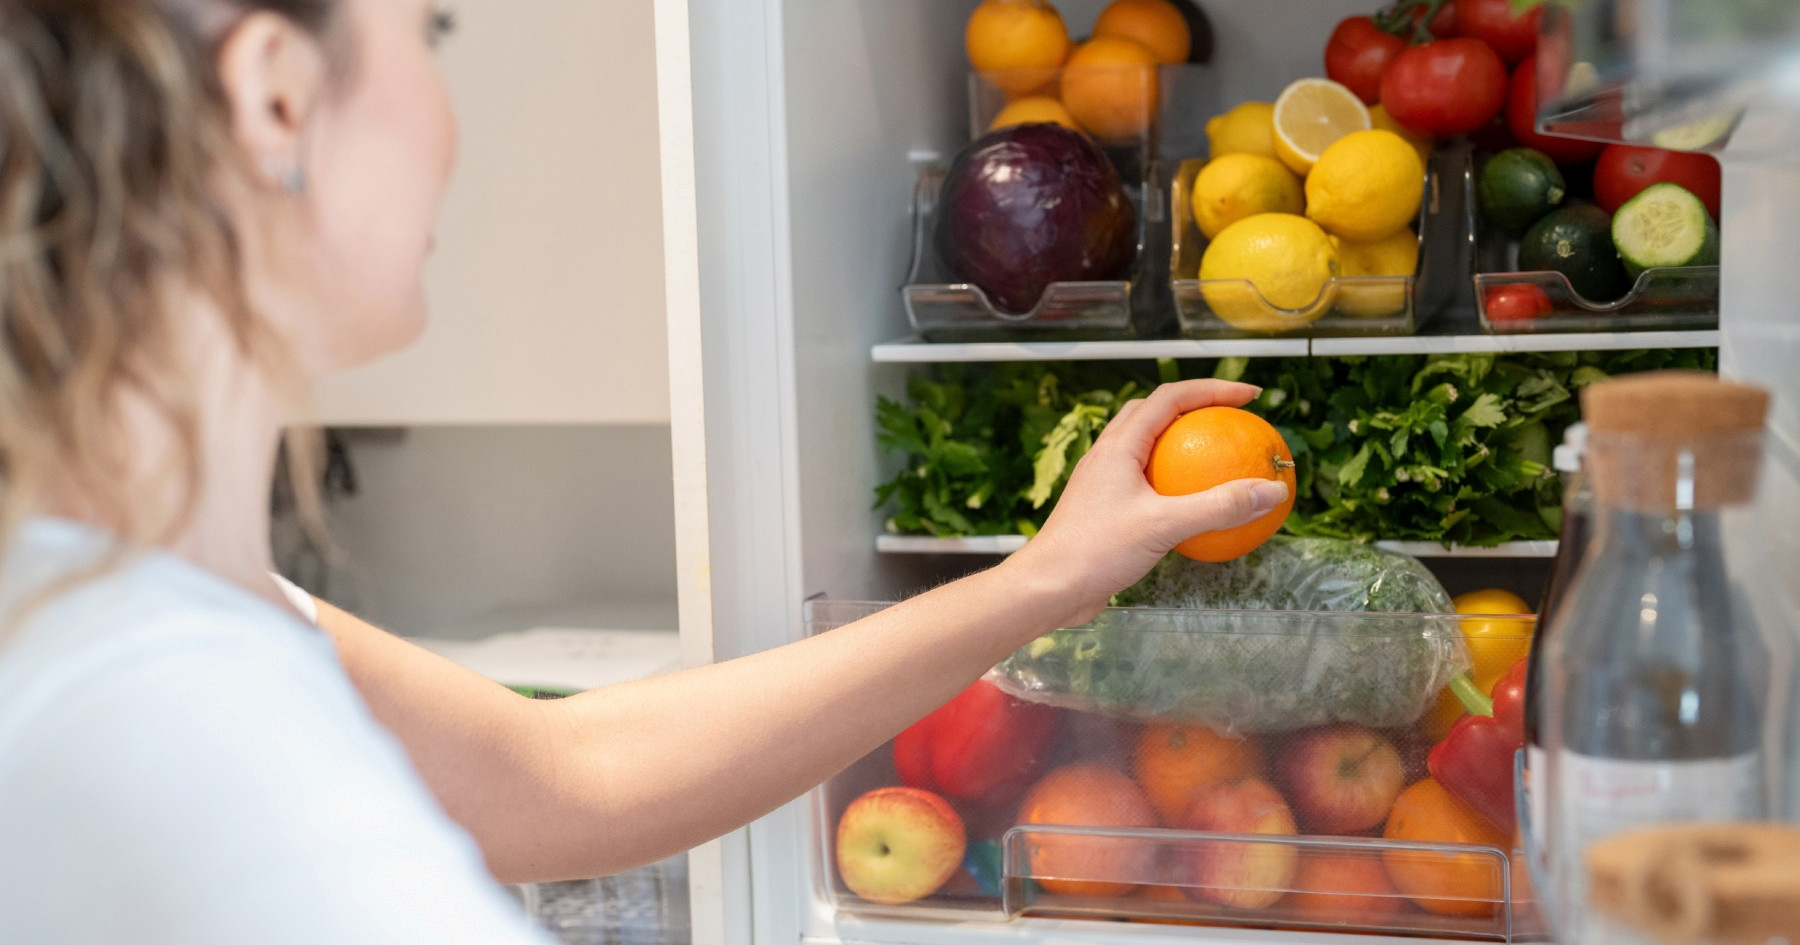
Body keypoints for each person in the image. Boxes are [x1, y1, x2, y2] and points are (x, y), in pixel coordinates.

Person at [0, 1, 1290, 942]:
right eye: (432, 33)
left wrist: (1041, 586)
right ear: (278, 97)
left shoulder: (109, 606)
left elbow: (555, 779)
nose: (449, 116)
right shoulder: (155, 704)